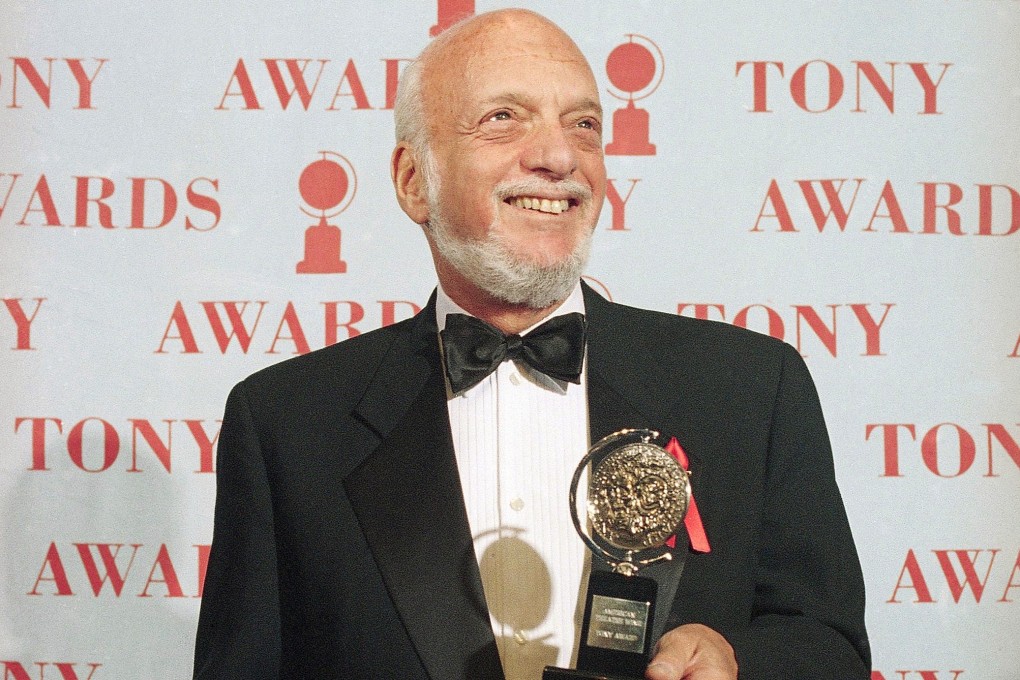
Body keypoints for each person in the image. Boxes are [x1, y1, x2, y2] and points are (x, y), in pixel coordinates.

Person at [193, 9, 870, 680]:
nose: (558, 156)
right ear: (412, 181)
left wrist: (736, 662)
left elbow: (829, 648)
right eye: (503, 118)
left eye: (584, 125)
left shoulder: (750, 387)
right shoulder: (287, 423)